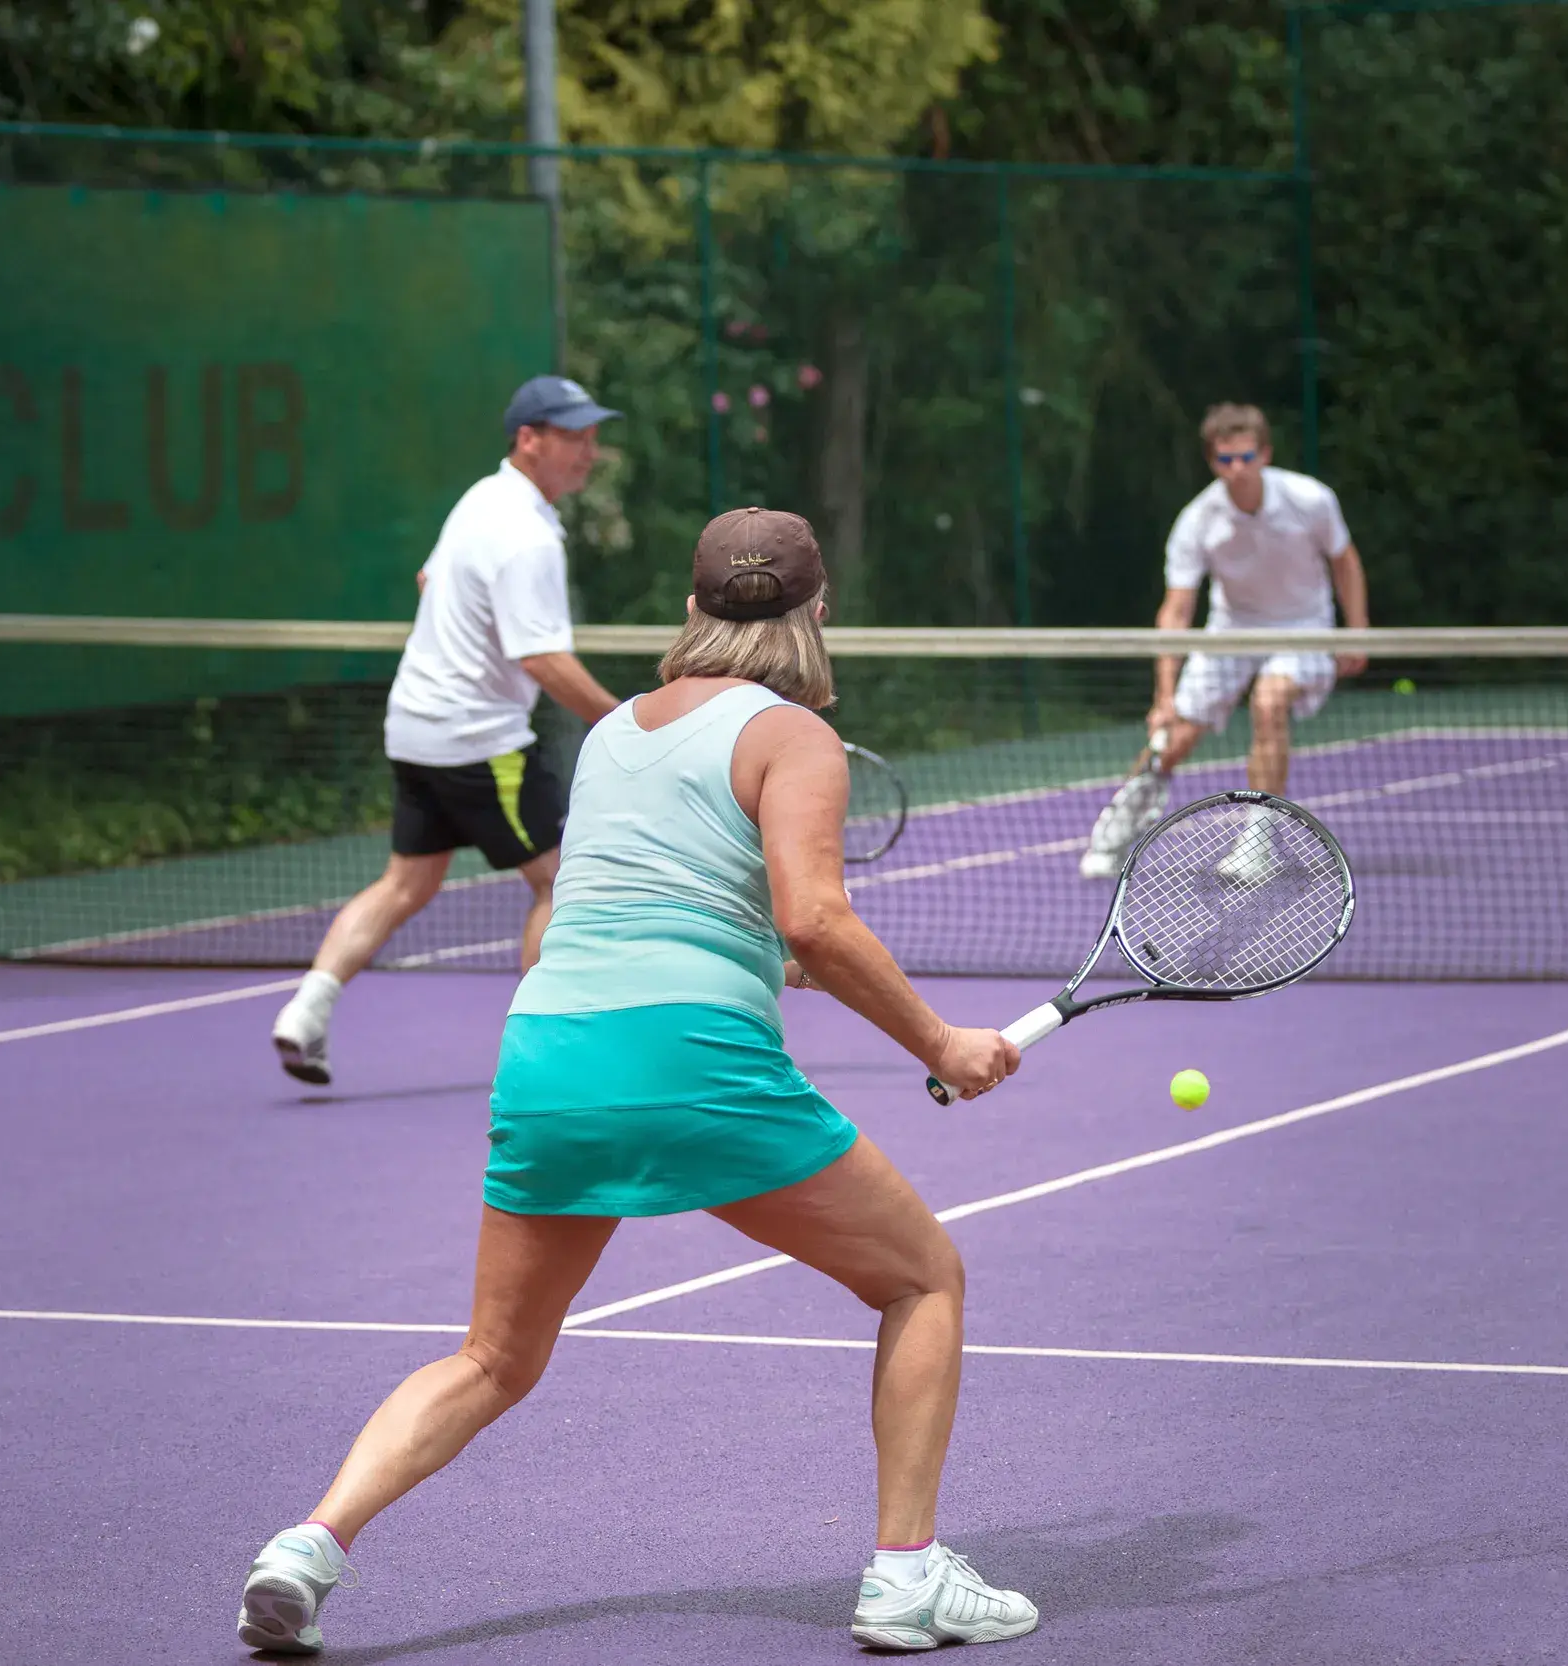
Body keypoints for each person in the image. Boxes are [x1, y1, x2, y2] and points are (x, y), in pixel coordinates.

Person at [235, 508, 1040, 1656]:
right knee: (924, 1279)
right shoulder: (792, 734)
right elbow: (813, 919)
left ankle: (307, 1546)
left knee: (490, 1357)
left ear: (692, 609)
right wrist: (940, 1043)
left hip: (550, 1049)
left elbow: (670, 915)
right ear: (819, 611)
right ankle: (906, 1574)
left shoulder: (611, 730)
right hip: (690, 1063)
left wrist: (753, 971)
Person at [270, 377, 624, 1085]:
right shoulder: (526, 537)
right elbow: (542, 659)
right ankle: (542, 1056)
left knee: (406, 881)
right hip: (480, 740)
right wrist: (626, 724)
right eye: (574, 436)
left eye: (592, 435)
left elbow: (430, 581)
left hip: (413, 728)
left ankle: (305, 1012)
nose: (589, 451)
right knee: (562, 881)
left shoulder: (480, 501)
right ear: (530, 440)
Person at [1079, 402, 1371, 881]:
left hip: (1305, 627)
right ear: (1212, 462)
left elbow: (1345, 561)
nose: (1237, 470)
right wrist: (1165, 696)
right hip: (1232, 630)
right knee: (1173, 741)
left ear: (1265, 454)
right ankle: (1115, 830)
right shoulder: (1198, 520)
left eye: (1246, 458)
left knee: (1269, 701)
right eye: (1225, 461)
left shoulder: (1310, 499)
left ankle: (1258, 843)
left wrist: (1357, 631)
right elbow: (1176, 610)